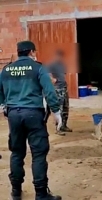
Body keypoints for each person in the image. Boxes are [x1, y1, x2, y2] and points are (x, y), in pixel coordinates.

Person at [0, 40, 62, 200]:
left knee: (16, 153)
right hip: (33, 114)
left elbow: (0, 92)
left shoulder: (6, 70)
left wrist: (3, 106)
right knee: (39, 153)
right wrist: (56, 112)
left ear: (19, 52)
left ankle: (15, 191)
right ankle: (41, 194)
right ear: (32, 52)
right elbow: (49, 91)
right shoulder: (38, 68)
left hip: (14, 114)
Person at [47, 50, 72, 135]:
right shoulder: (51, 64)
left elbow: (64, 74)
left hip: (64, 88)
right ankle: (58, 128)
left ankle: (64, 125)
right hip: (57, 88)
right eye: (58, 56)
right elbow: (47, 73)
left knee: (65, 107)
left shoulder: (62, 64)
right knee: (59, 108)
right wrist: (52, 79)